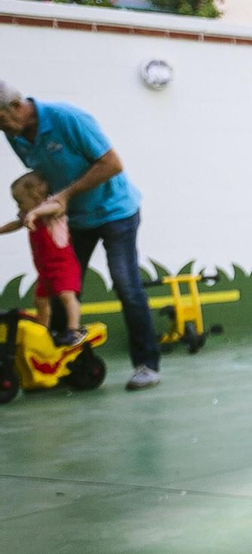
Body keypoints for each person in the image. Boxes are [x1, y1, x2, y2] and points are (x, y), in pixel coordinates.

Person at [0, 82, 160, 390]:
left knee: (127, 285)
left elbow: (112, 164)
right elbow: (41, 180)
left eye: (0, 121)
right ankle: (63, 364)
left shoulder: (67, 119)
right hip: (73, 218)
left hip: (116, 212)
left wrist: (65, 196)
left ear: (16, 107)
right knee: (63, 286)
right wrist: (32, 208)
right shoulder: (14, 133)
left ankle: (147, 365)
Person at [2, 172, 84, 345]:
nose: (19, 207)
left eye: (20, 202)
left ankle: (74, 329)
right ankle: (43, 329)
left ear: (36, 197)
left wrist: (35, 213)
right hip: (45, 269)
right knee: (40, 300)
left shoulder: (53, 212)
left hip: (63, 266)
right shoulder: (29, 215)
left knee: (66, 296)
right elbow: (16, 224)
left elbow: (53, 207)